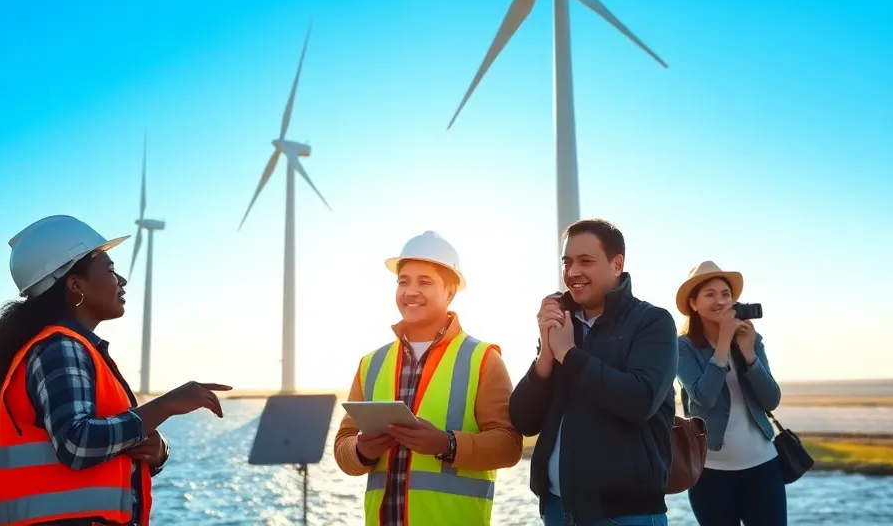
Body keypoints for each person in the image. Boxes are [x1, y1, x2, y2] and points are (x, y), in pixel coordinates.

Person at [0, 215, 231, 526]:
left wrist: (155, 451)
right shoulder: (60, 348)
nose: (121, 281)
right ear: (75, 285)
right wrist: (168, 405)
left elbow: (101, 443)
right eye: (110, 271)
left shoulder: (74, 348)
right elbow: (77, 443)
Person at [333, 230, 522, 526]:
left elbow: (509, 446)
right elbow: (343, 447)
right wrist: (360, 450)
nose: (410, 291)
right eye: (403, 281)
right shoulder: (371, 363)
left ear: (450, 292)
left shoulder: (483, 359)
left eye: (424, 282)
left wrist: (446, 444)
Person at [509, 218, 678, 526]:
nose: (572, 272)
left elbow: (640, 400)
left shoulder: (653, 322)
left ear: (617, 264)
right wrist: (547, 354)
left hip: (628, 515)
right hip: (557, 511)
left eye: (585, 261)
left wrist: (568, 354)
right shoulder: (562, 326)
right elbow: (523, 421)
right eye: (567, 262)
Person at [674, 261, 786, 526]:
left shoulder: (751, 340)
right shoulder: (682, 347)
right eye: (710, 294)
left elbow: (772, 399)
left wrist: (748, 354)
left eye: (725, 294)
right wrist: (724, 342)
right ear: (693, 303)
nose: (720, 301)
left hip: (763, 466)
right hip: (710, 472)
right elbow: (704, 396)